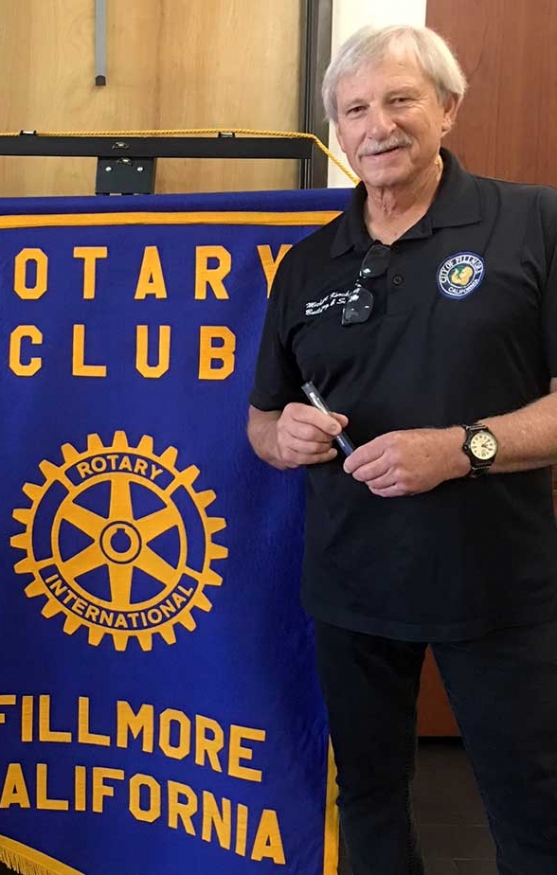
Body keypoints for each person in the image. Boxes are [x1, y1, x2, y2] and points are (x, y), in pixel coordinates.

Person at [247, 24, 557, 875]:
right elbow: (261, 419)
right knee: (369, 797)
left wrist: (465, 448)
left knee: (532, 804)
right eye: (355, 110)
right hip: (351, 590)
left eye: (399, 100)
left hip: (497, 588)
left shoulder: (533, 221)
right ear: (337, 135)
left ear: (448, 110)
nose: (377, 125)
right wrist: (285, 437)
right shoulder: (308, 264)